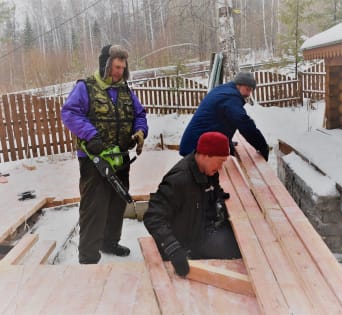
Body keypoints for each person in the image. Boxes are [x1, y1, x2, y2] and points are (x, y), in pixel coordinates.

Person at [61, 44, 148, 264]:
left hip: (120, 156)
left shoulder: (125, 89)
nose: (119, 72)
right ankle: (88, 256)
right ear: (106, 65)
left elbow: (139, 113)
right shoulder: (86, 87)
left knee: (117, 201)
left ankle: (109, 242)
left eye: (122, 68)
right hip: (94, 159)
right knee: (94, 205)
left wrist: (140, 130)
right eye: (116, 67)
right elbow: (69, 113)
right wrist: (91, 136)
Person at [144, 131, 241, 276]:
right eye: (220, 161)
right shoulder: (179, 180)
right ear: (205, 155)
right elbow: (152, 217)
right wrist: (173, 248)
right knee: (236, 250)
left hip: (201, 230)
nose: (220, 167)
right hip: (185, 243)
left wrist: (219, 200)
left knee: (242, 244)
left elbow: (212, 192)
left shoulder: (208, 171)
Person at [179, 71, 269, 160]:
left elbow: (220, 122)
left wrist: (226, 142)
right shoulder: (231, 97)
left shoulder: (223, 90)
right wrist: (262, 146)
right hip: (196, 149)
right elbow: (244, 124)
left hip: (194, 143)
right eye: (247, 89)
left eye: (251, 91)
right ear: (239, 85)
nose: (249, 94)